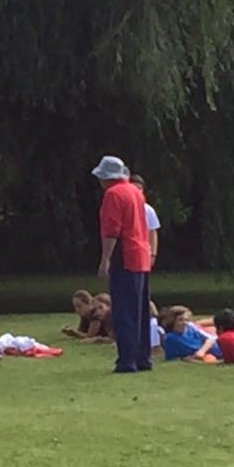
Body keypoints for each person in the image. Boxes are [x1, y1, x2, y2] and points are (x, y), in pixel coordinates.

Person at [92, 156, 152, 373]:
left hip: (125, 256)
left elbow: (112, 230)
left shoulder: (113, 194)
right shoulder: (136, 192)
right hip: (141, 255)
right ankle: (143, 357)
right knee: (140, 310)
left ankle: (127, 360)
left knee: (124, 310)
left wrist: (105, 259)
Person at [130, 174, 161, 270]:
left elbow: (152, 232)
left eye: (139, 188)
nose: (137, 191)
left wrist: (153, 254)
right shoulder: (124, 208)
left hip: (143, 253)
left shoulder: (148, 210)